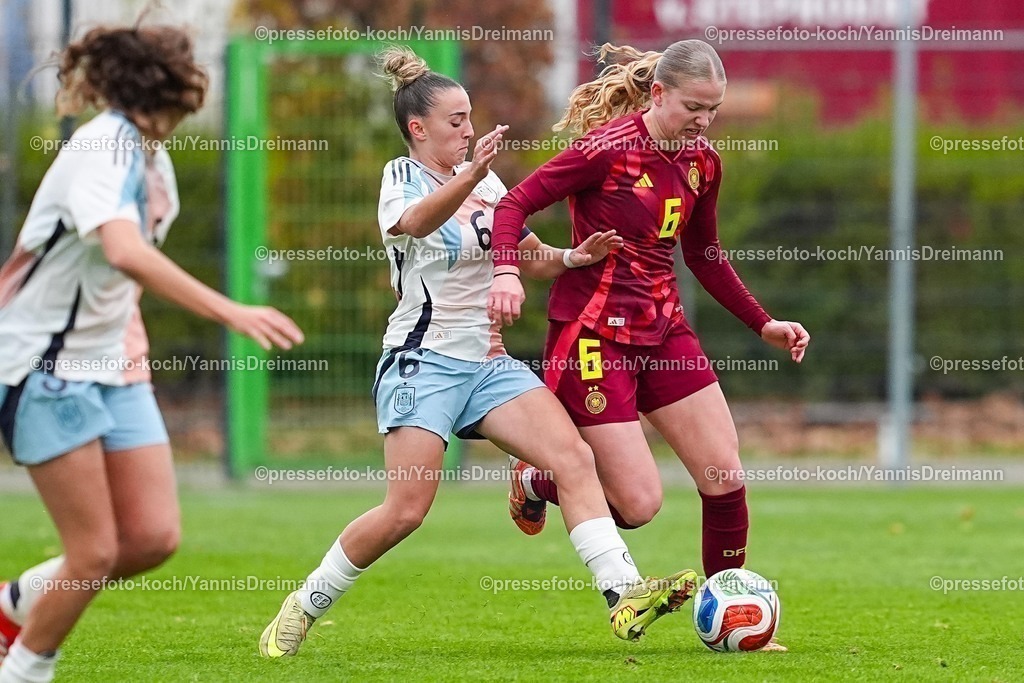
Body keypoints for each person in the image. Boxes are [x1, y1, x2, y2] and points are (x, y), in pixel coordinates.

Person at [258, 46, 698, 658]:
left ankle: (624, 596)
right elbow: (414, 224)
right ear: (419, 129)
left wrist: (573, 258)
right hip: (424, 362)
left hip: (489, 366)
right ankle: (306, 603)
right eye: (455, 121)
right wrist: (467, 178)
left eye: (469, 118)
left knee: (573, 458)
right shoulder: (402, 176)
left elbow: (524, 254)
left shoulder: (486, 181)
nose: (468, 130)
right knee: (406, 511)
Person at [0, 25, 304, 683]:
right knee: (92, 552)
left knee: (150, 538)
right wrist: (232, 311)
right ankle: (22, 668)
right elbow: (123, 251)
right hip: (45, 368)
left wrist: (126, 343)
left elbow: (116, 277)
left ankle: (12, 604)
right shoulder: (103, 144)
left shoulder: (152, 157)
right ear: (171, 86)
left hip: (111, 365)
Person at [488, 41, 809, 645]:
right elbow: (514, 203)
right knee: (637, 506)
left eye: (713, 110)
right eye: (694, 107)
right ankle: (537, 479)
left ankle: (729, 616)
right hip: (593, 336)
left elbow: (704, 255)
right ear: (658, 95)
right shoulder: (603, 150)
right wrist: (507, 270)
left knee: (724, 474)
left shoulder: (704, 164)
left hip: (664, 330)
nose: (704, 122)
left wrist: (760, 322)